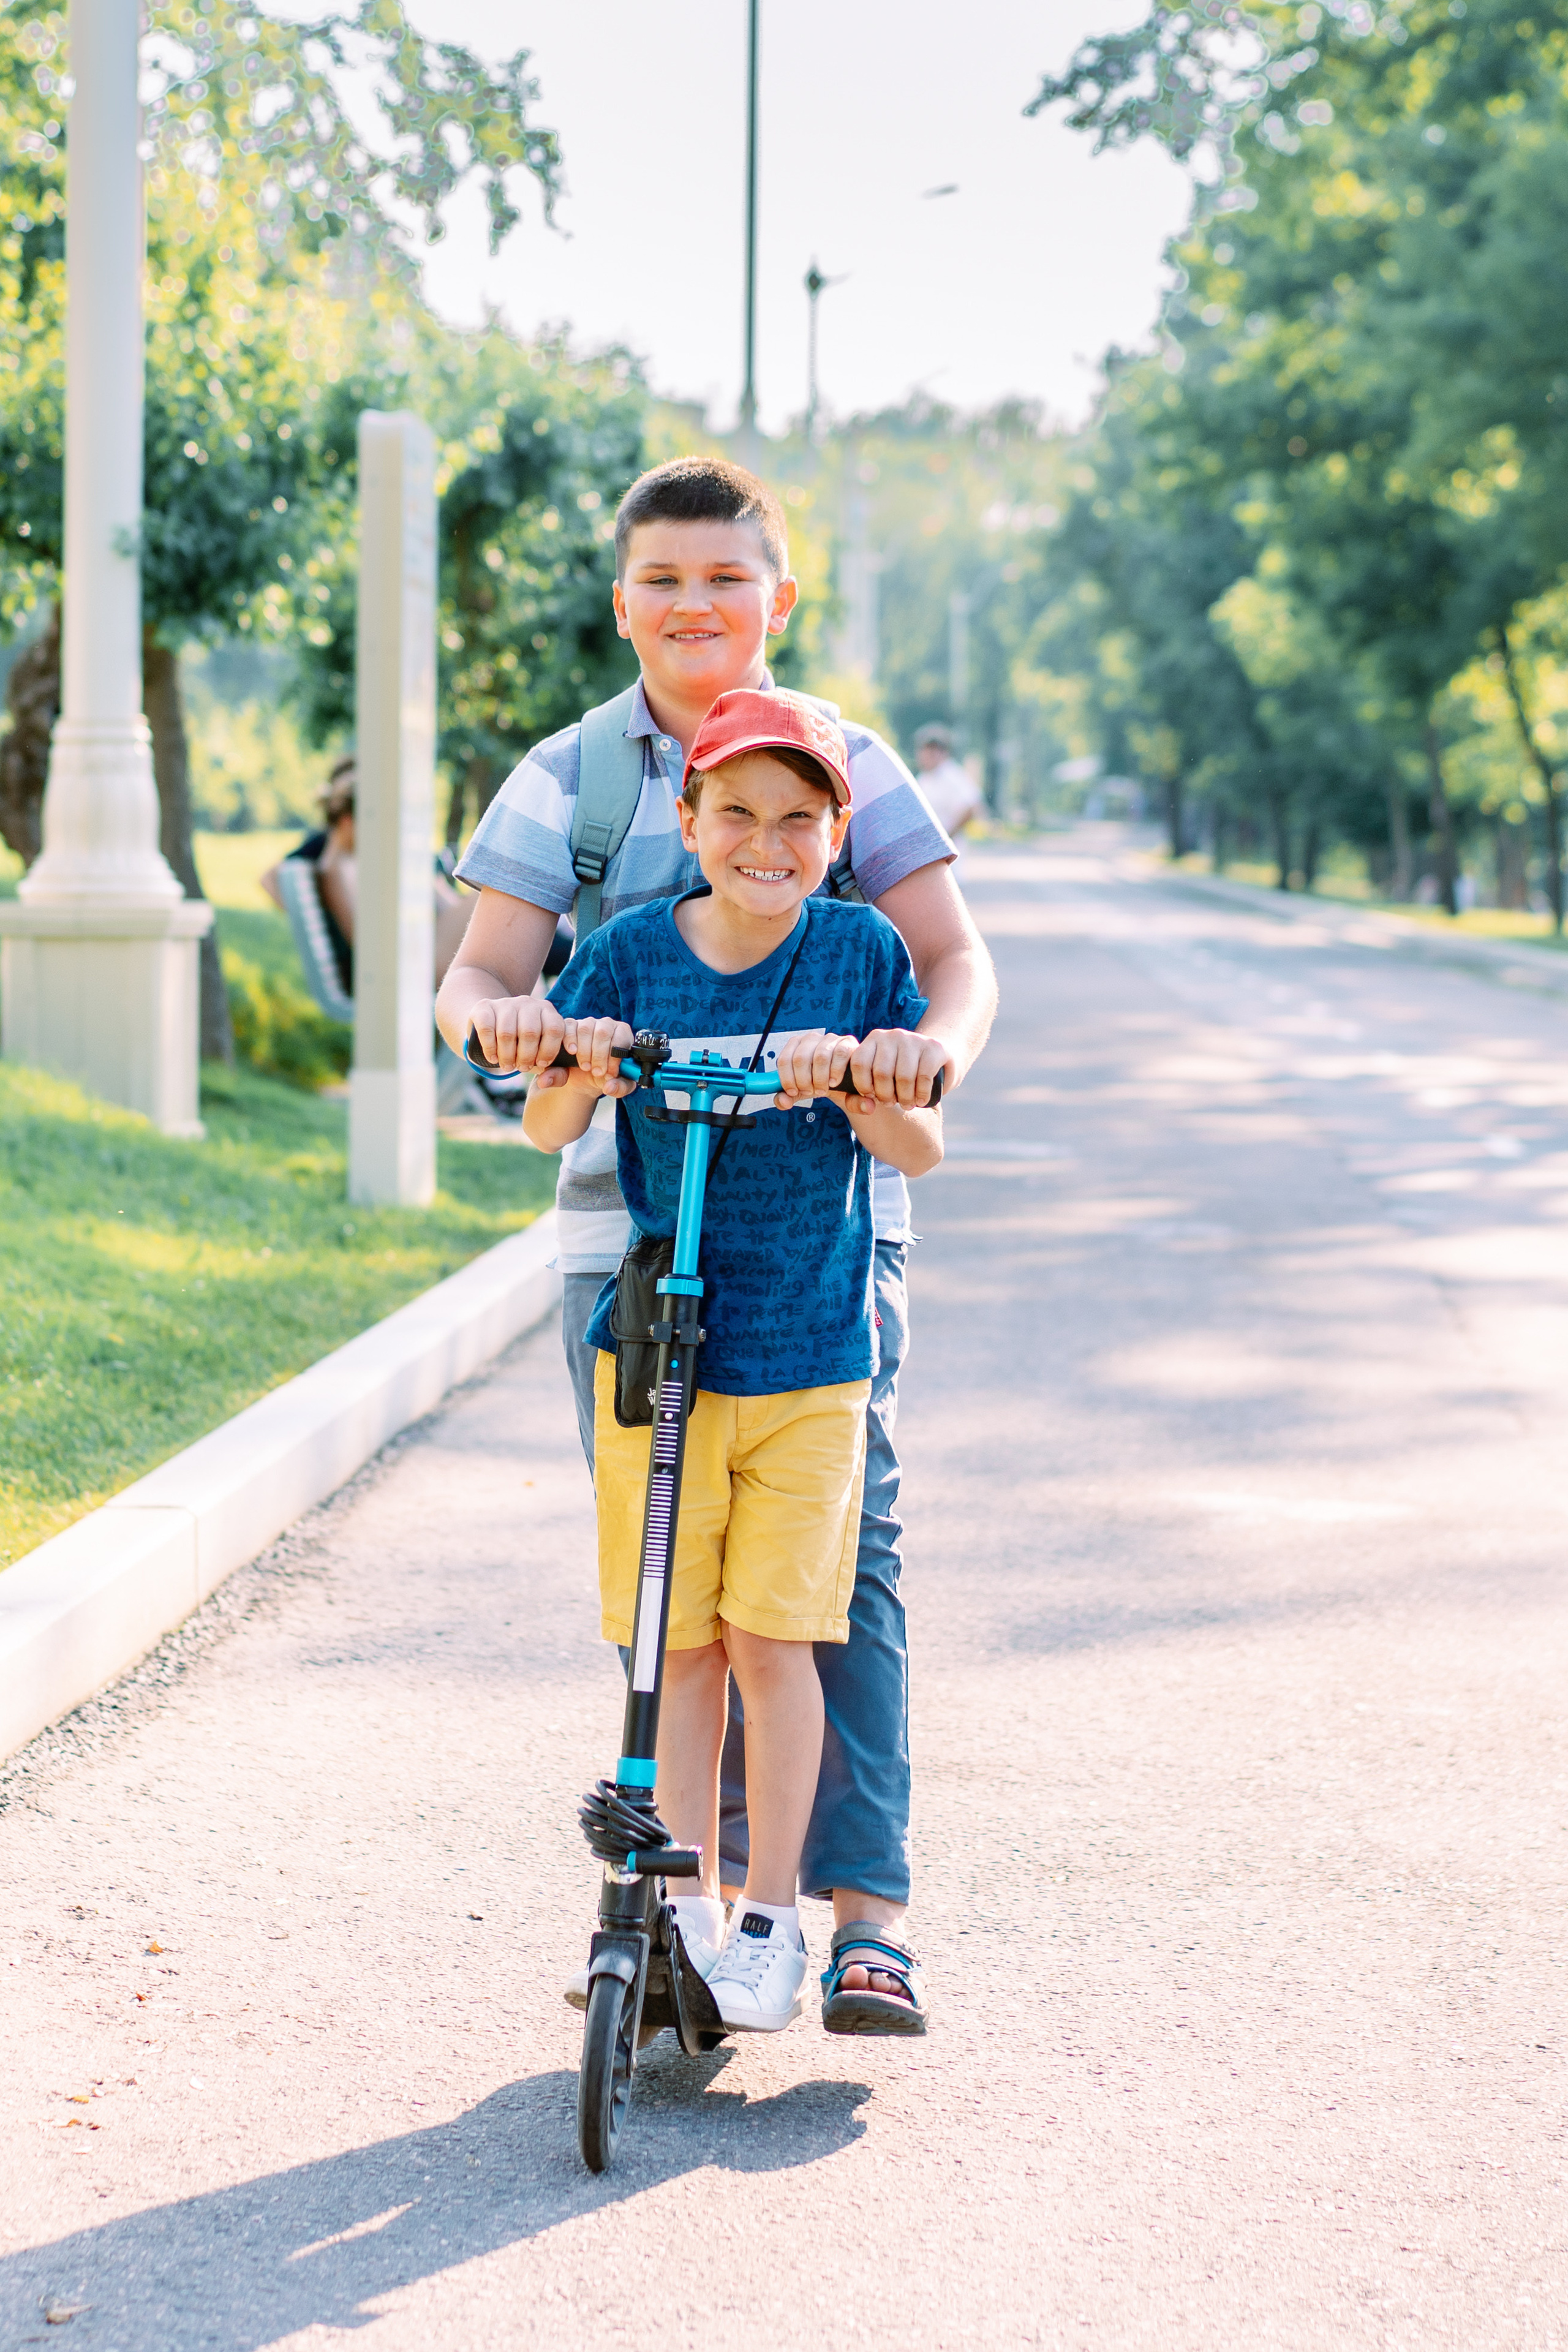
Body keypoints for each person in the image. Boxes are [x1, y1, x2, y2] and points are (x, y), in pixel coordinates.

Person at [437, 455, 997, 2031]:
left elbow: (949, 965)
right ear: (623, 601)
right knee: (670, 1591)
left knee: (834, 1575)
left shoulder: (845, 770)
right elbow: (478, 976)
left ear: (778, 600)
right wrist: (528, 1031)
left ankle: (853, 1911)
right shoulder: (572, 779)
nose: (695, 605)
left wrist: (906, 1065)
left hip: (823, 1231)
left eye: (726, 580)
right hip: (626, 1242)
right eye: (663, 580)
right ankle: (673, 1905)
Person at [518, 691, 942, 2029]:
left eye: (801, 820)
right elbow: (544, 1125)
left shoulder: (861, 952)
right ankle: (684, 1904)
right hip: (664, 1353)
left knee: (775, 1639)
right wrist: (580, 1056)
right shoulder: (632, 953)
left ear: (834, 837)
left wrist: (866, 1080)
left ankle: (774, 1917)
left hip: (811, 1358)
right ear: (689, 822)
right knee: (679, 1644)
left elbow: (920, 1151)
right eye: (739, 814)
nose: (769, 841)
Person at [261, 757, 474, 989]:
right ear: (348, 821)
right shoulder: (338, 866)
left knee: (489, 905)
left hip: (418, 954)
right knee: (491, 900)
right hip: (407, 968)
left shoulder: (358, 860)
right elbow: (371, 949)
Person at [913, 725, 984, 839]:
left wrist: (946, 837)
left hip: (949, 853)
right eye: (925, 749)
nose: (928, 755)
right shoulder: (923, 778)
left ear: (943, 752)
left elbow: (972, 806)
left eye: (934, 750)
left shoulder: (951, 775)